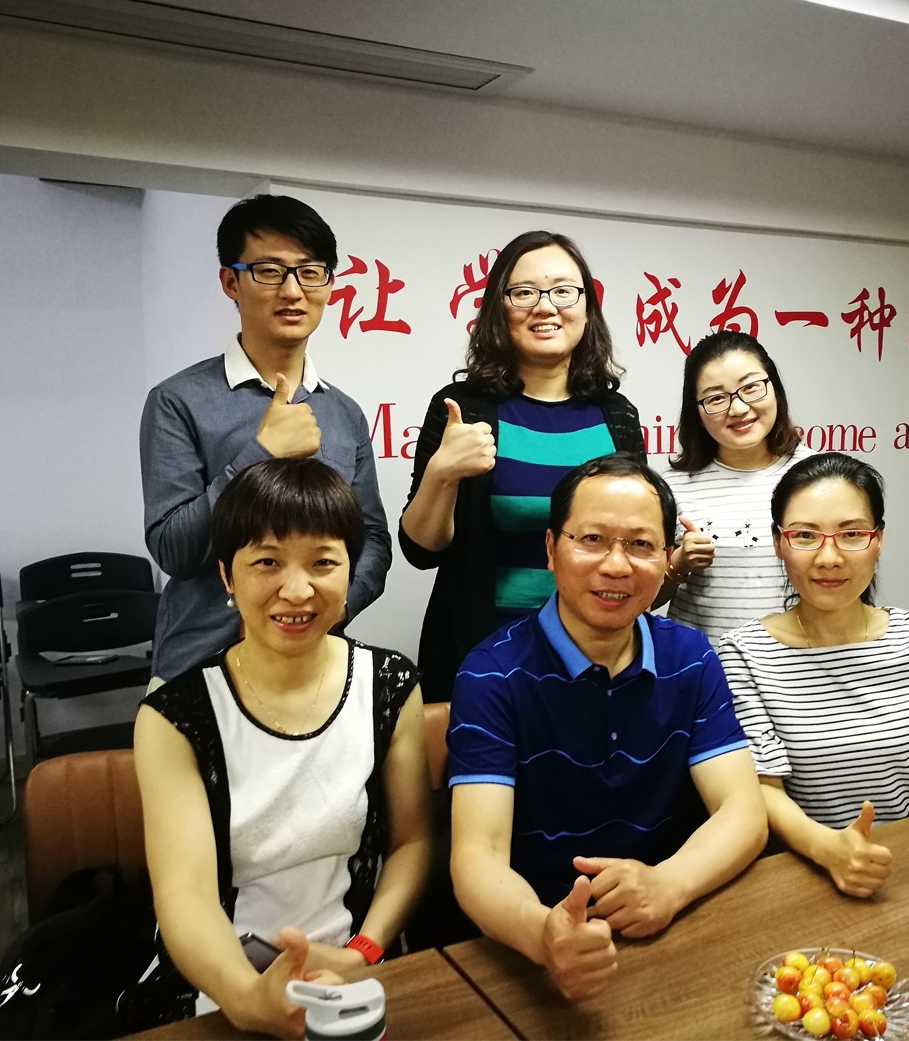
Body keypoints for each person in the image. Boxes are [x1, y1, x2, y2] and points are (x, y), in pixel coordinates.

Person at [448, 454, 767, 1001]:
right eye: (592, 540)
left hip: (671, 926)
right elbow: (477, 856)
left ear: (667, 558)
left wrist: (670, 884)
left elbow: (743, 812)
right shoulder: (492, 673)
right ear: (551, 549)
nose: (617, 566)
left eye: (641, 545)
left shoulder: (689, 656)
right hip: (539, 945)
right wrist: (543, 933)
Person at [133, 459, 430, 1037]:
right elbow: (185, 893)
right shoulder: (176, 717)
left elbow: (412, 841)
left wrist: (365, 950)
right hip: (218, 985)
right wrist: (247, 998)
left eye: (323, 562)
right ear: (227, 576)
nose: (297, 590)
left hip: (359, 969)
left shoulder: (390, 686)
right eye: (266, 562)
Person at [718, 452, 909, 900]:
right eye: (805, 535)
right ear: (779, 543)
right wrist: (828, 850)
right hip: (804, 876)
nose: (829, 557)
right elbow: (762, 790)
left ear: (877, 540)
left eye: (852, 534)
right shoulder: (745, 653)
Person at [140, 194, 390, 684]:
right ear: (230, 282)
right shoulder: (177, 400)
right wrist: (260, 454)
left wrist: (332, 609)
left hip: (315, 666)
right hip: (201, 668)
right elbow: (174, 550)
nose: (292, 291)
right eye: (270, 271)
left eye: (310, 272)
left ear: (329, 284)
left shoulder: (344, 414)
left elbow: (373, 539)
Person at [398, 230, 644, 703]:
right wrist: (442, 473)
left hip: (596, 646)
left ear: (587, 306)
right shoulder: (462, 407)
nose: (545, 307)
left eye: (563, 291)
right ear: (499, 306)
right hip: (484, 648)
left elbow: (633, 537)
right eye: (524, 292)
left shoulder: (618, 416)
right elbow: (420, 550)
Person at [659, 331, 813, 640]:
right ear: (696, 412)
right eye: (716, 398)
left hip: (796, 663)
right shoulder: (670, 487)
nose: (739, 408)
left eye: (751, 387)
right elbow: (643, 600)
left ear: (774, 388)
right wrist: (679, 564)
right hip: (702, 664)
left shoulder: (820, 478)